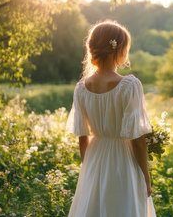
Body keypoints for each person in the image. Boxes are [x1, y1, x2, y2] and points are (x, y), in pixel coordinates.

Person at [66, 20, 156, 217]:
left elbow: (82, 137)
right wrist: (146, 177)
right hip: (122, 158)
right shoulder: (129, 86)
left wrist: (88, 168)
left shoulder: (81, 87)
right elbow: (137, 139)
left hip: (94, 156)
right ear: (119, 49)